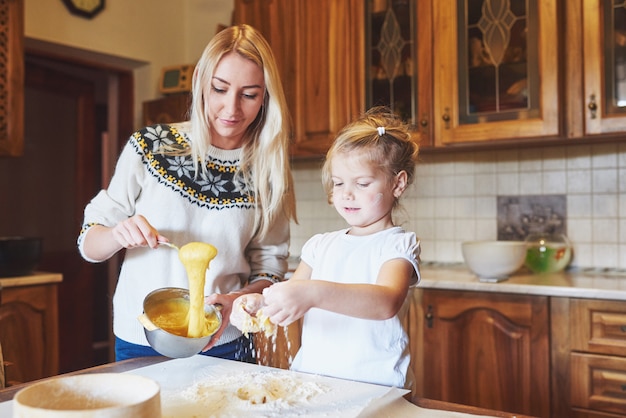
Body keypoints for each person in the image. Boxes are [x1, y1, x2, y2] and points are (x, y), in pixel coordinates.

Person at [77, 24, 297, 363]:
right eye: (220, 89)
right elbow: (89, 244)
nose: (231, 108)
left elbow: (268, 267)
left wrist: (237, 298)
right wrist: (118, 234)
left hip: (225, 340)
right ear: (201, 83)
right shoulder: (150, 147)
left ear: (266, 97)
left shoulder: (268, 171)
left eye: (249, 94)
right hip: (143, 337)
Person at [231, 107, 421, 388]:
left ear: (398, 183)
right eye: (339, 183)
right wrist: (258, 304)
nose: (347, 193)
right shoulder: (319, 245)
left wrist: (314, 292)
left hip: (376, 386)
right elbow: (289, 295)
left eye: (362, 183)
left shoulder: (397, 244)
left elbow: (385, 302)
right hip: (313, 382)